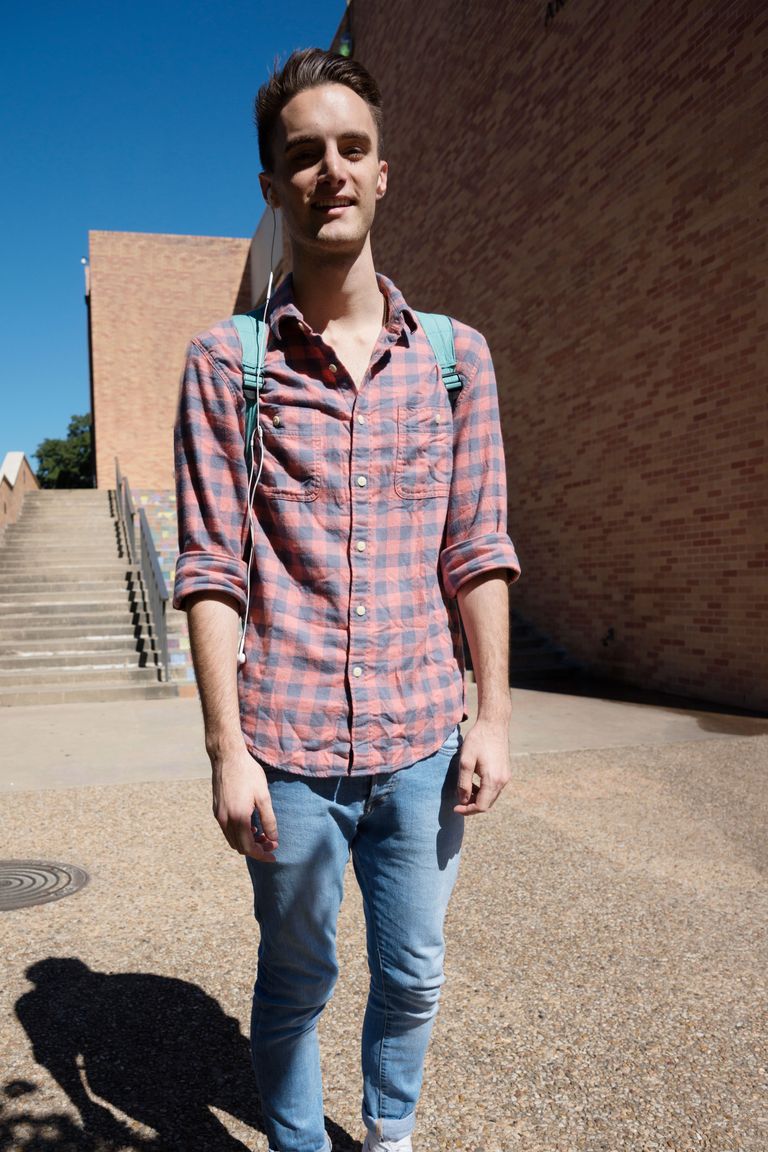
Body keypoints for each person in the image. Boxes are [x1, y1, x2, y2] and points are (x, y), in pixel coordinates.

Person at [173, 47, 520, 1152]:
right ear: (274, 187)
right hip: (288, 748)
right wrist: (228, 749)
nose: (331, 170)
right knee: (296, 981)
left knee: (414, 975)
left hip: (423, 740)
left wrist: (495, 718)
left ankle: (391, 1134)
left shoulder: (458, 361)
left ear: (384, 175)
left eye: (352, 149)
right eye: (304, 155)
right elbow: (213, 568)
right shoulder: (229, 366)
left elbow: (479, 547)